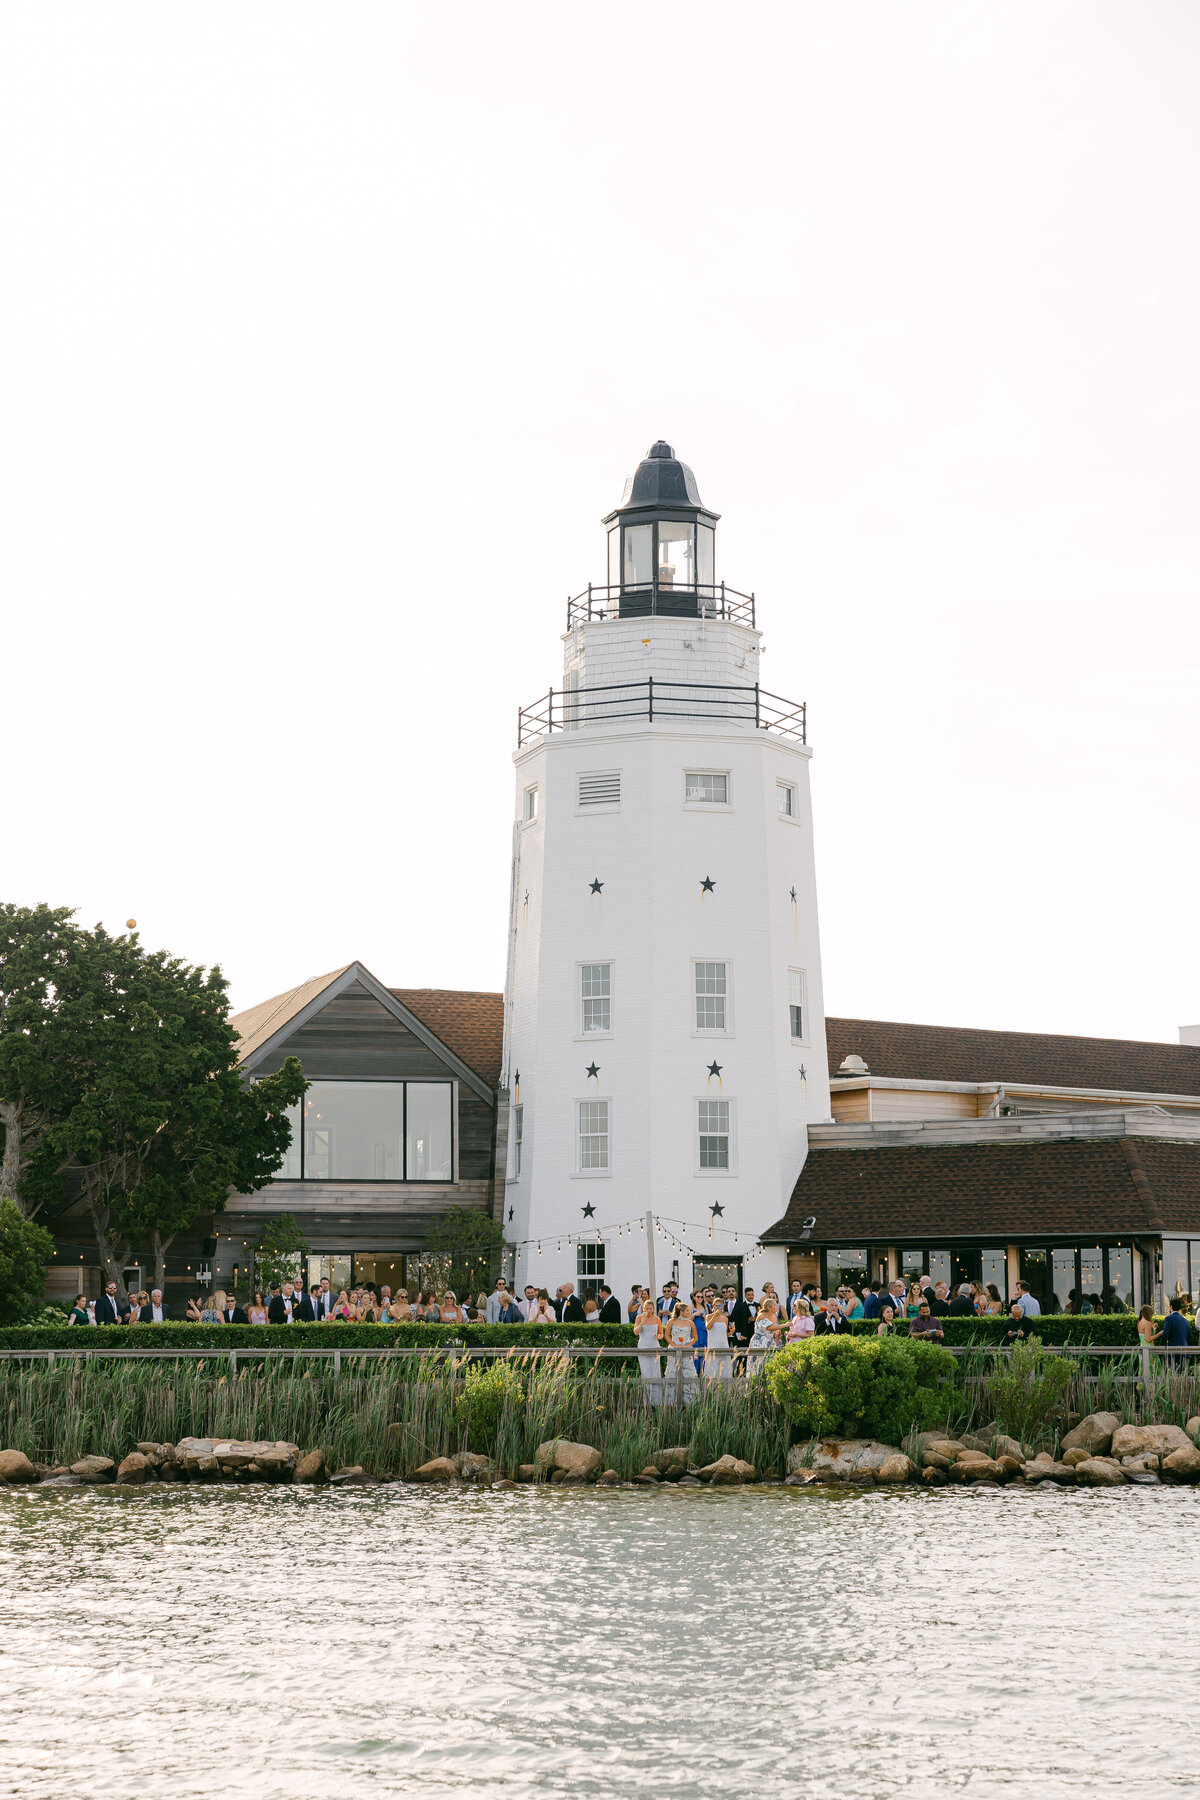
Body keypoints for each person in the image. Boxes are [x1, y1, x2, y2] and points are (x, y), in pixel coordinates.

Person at [635, 1295, 663, 1401]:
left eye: (650, 1308)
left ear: (653, 1309)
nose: (649, 1310)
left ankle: (657, 1399)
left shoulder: (657, 1319)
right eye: (647, 1308)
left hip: (654, 1344)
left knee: (655, 1370)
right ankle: (646, 1399)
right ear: (643, 1309)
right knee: (645, 1370)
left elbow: (661, 1333)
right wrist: (643, 1321)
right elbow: (636, 1332)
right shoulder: (639, 1318)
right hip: (643, 1344)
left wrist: (659, 1336)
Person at [704, 1294, 732, 1379]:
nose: (718, 1307)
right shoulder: (708, 1316)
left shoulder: (725, 1319)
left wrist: (731, 1332)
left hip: (723, 1344)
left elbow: (725, 1334)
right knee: (713, 1367)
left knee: (724, 1368)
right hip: (713, 1344)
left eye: (720, 1306)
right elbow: (708, 1327)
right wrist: (714, 1316)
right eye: (716, 1306)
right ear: (713, 1306)